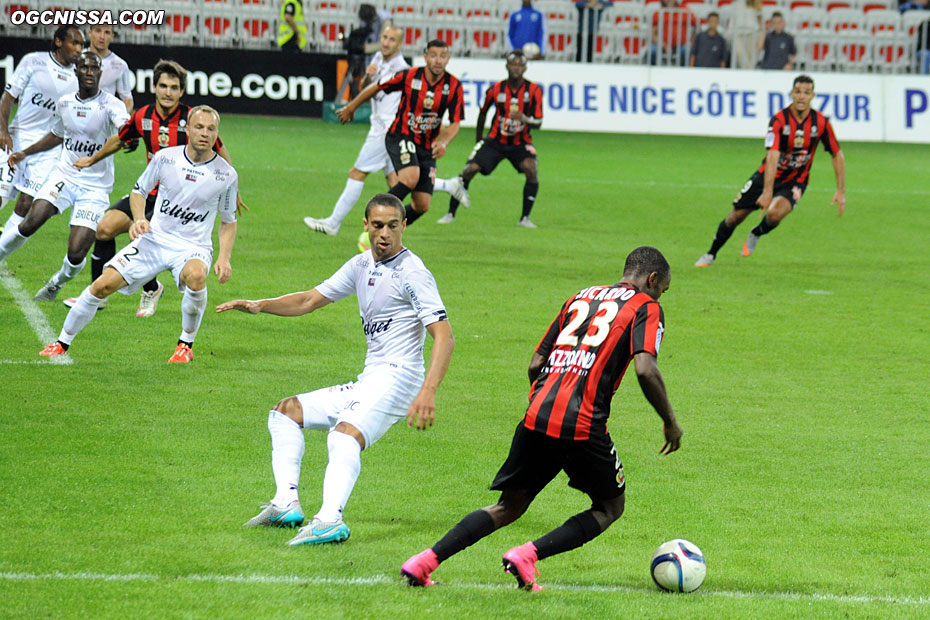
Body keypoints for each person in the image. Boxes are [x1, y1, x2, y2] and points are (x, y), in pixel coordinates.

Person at [401, 246, 682, 591]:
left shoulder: (581, 297)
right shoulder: (647, 306)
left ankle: (424, 561)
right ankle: (527, 555)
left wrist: (547, 398)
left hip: (536, 416)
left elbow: (536, 363)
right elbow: (645, 368)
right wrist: (669, 420)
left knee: (509, 506)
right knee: (610, 507)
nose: (659, 295)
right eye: (661, 288)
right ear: (652, 279)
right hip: (582, 424)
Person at [218, 193, 454, 546]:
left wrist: (429, 390)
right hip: (372, 377)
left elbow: (444, 336)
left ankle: (329, 520)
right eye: (377, 226)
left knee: (344, 435)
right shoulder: (361, 265)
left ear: (404, 226)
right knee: (285, 412)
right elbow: (310, 299)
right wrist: (259, 306)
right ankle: (285, 504)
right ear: (366, 226)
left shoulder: (413, 273)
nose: (385, 234)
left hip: (400, 376)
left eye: (393, 226)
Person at [39, 105, 238, 363]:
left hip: (192, 247)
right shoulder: (166, 158)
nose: (205, 133)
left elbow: (228, 221)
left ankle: (185, 345)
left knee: (197, 276)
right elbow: (138, 191)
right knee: (102, 285)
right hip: (155, 240)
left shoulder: (226, 174)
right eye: (199, 127)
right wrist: (140, 218)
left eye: (211, 129)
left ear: (217, 133)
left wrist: (224, 257)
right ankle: (61, 343)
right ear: (187, 129)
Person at [61, 59, 245, 317]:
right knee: (103, 229)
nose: (168, 92)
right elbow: (120, 139)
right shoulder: (143, 115)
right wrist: (92, 159)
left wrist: (232, 190)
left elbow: (219, 150)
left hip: (174, 203)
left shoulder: (194, 120)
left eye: (174, 87)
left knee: (149, 240)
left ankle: (150, 288)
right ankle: (101, 294)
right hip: (146, 193)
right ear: (154, 87)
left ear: (181, 92)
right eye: (163, 86)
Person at [0, 51, 129, 303]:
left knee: (76, 252)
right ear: (76, 71)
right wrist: (25, 152)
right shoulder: (65, 102)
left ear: (100, 74)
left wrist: (125, 137)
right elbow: (57, 135)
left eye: (95, 68)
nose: (90, 72)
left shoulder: (112, 104)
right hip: (65, 177)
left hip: (95, 188)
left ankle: (56, 282)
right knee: (30, 220)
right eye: (85, 67)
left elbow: (124, 131)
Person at [695, 75, 845, 266]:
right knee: (735, 217)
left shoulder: (821, 123)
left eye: (806, 93)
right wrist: (767, 191)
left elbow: (837, 154)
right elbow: (773, 155)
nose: (801, 96)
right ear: (791, 93)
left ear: (812, 96)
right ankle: (711, 253)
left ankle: (757, 233)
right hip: (767, 176)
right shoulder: (779, 121)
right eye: (798, 92)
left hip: (796, 181)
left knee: (774, 215)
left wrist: (841, 190)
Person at [337, 41, 464, 226]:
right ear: (426, 57)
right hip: (401, 135)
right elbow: (377, 87)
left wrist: (443, 142)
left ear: (448, 59)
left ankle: (390, 233)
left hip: (426, 145)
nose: (438, 60)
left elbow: (455, 123)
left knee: (422, 205)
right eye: (434, 55)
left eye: (442, 56)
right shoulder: (410, 76)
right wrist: (351, 107)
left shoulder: (453, 86)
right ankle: (374, 222)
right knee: (410, 178)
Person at [304, 26, 409, 236]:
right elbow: (366, 87)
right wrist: (368, 77)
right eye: (384, 37)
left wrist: (351, 107)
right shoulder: (378, 57)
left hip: (386, 129)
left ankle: (333, 223)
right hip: (381, 125)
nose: (386, 43)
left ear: (400, 44)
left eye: (392, 40)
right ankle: (449, 186)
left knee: (357, 172)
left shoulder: (401, 68)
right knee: (398, 181)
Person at [433, 50, 543, 228]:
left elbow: (539, 121)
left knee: (531, 170)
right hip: (495, 141)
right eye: (512, 64)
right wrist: (479, 140)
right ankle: (450, 213)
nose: (516, 68)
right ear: (507, 66)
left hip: (520, 142)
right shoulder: (496, 89)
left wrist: (525, 119)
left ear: (525, 68)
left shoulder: (534, 90)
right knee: (469, 170)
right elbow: (482, 113)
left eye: (519, 65)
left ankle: (525, 218)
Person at [0, 26, 83, 242]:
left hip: (48, 149)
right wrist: (3, 131)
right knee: (1, 196)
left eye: (81, 45)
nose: (78, 49)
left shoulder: (79, 78)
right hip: (17, 139)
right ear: (58, 42)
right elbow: (8, 97)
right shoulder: (33, 61)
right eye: (74, 43)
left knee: (27, 203)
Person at [87, 24, 134, 114]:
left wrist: (120, 117)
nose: (102, 37)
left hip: (104, 121)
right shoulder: (77, 59)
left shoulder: (120, 65)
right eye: (98, 31)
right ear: (90, 33)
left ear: (112, 36)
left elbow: (127, 99)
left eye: (107, 32)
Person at [650, 0, 697, 66]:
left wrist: (691, 41)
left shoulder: (685, 11)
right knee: (652, 51)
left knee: (688, 51)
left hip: (681, 45)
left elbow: (696, 27)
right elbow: (652, 34)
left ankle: (684, 73)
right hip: (662, 44)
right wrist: (663, 44)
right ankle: (655, 73)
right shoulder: (658, 12)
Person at [729, 0, 763, 70]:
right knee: (739, 54)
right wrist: (730, 31)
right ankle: (750, 72)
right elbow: (732, 19)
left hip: (752, 33)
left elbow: (760, 21)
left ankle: (750, 73)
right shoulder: (736, 3)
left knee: (751, 57)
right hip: (738, 33)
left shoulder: (757, 3)